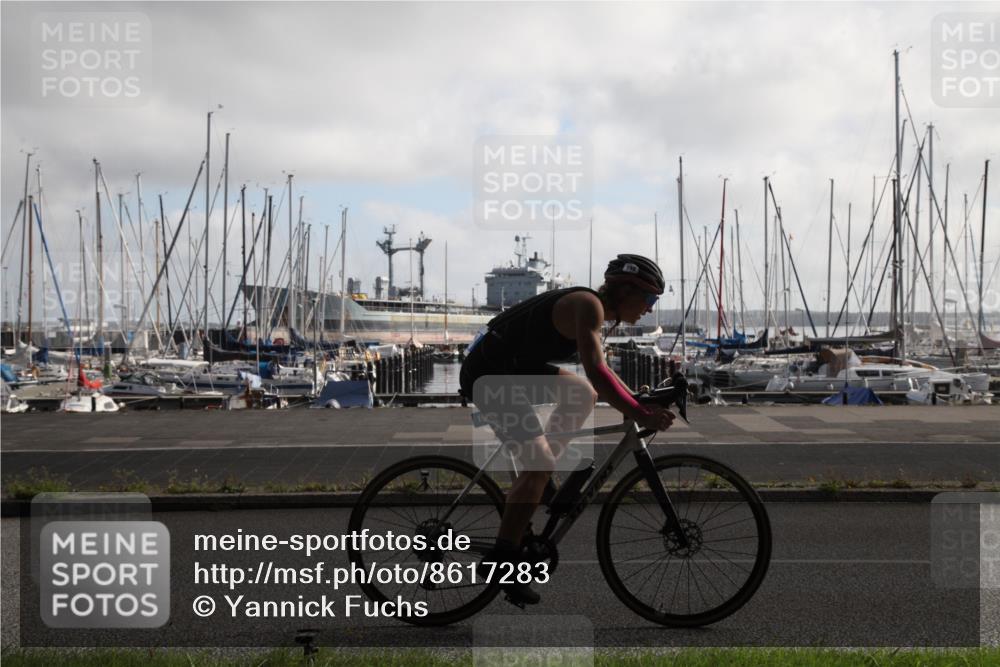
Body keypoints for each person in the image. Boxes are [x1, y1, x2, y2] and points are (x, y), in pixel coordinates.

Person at [459, 254, 676, 605]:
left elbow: (602, 374)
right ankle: (502, 561)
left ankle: (540, 480)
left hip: (510, 369)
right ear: (626, 291)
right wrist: (639, 412)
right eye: (649, 299)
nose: (650, 309)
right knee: (540, 462)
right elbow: (598, 370)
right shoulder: (587, 306)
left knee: (581, 394)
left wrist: (637, 401)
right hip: (490, 376)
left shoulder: (595, 311)